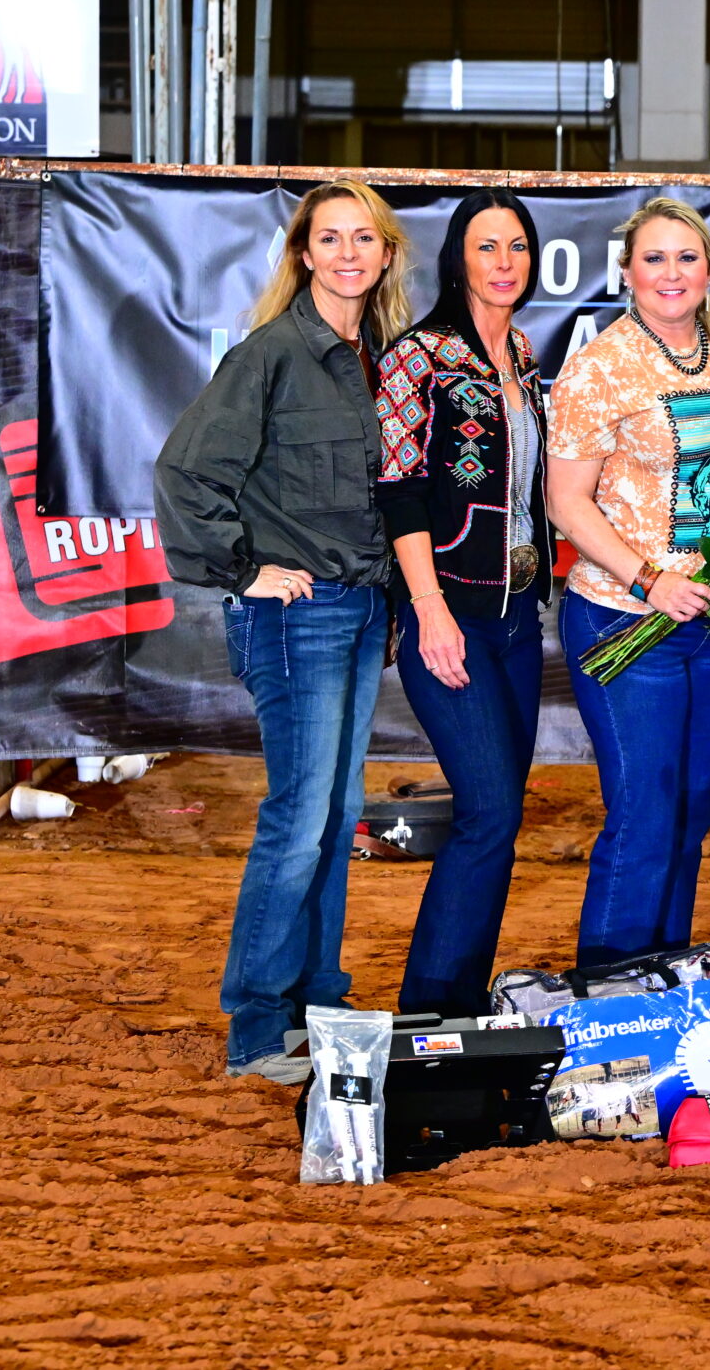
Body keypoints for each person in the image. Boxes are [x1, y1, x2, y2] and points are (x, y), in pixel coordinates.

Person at [156, 179, 411, 1082]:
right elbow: (185, 475)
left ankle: (316, 1003)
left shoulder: (381, 361)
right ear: (305, 253)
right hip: (293, 618)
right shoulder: (269, 357)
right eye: (330, 238)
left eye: (364, 238)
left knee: (336, 816)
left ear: (384, 254)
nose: (348, 253)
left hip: (356, 611)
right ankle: (257, 1029)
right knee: (298, 820)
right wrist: (242, 569)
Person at [546, 197, 710, 967]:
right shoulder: (600, 364)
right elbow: (564, 501)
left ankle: (663, 986)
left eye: (686, 258)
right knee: (642, 814)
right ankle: (608, 998)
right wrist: (649, 579)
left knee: (690, 812)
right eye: (654, 258)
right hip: (624, 622)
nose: (671, 273)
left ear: (709, 269)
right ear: (627, 271)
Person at [372, 188, 550, 1016]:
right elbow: (399, 488)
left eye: (516, 245)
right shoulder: (420, 356)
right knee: (487, 811)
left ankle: (463, 1001)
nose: (504, 261)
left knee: (499, 820)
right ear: (457, 258)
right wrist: (428, 608)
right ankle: (427, 1013)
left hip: (516, 618)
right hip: (453, 613)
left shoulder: (519, 349)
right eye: (487, 246)